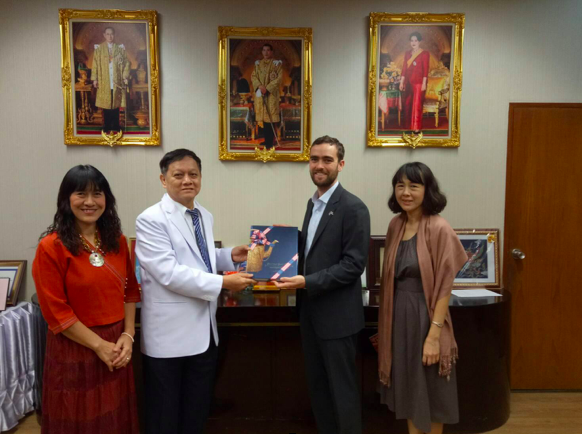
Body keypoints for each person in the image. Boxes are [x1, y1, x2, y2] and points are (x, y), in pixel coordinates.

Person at [135, 148, 255, 434]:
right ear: (164, 180)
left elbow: (199, 259)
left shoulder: (203, 214)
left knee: (196, 411)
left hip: (204, 333)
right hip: (169, 337)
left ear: (200, 177)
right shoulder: (151, 219)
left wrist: (228, 257)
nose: (187, 180)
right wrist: (223, 282)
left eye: (193, 174)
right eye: (179, 175)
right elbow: (169, 273)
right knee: (165, 414)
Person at [32, 165, 140, 434]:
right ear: (67, 199)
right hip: (75, 346)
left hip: (116, 344)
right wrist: (99, 346)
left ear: (107, 200)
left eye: (98, 194)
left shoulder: (116, 240)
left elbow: (129, 290)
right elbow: (56, 312)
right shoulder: (51, 246)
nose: (90, 202)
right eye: (81, 194)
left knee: (114, 420)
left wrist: (128, 336)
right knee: (77, 418)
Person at [275, 135, 370, 434]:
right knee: (319, 390)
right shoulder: (313, 203)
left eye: (327, 160)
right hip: (311, 316)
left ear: (340, 165)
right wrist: (281, 245)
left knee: (342, 393)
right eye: (314, 159)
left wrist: (307, 281)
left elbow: (353, 265)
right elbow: (315, 249)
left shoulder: (354, 208)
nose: (319, 165)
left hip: (338, 319)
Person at [377, 162, 468, 434]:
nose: (406, 192)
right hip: (398, 319)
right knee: (407, 388)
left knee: (430, 391)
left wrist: (433, 335)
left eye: (413, 186)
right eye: (400, 186)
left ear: (427, 190)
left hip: (426, 317)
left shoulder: (439, 228)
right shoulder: (396, 224)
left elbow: (444, 286)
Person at [91, 27, 131, 132]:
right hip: (104, 79)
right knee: (106, 103)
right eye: (108, 34)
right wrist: (95, 79)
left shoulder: (120, 49)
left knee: (116, 102)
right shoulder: (99, 49)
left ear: (114, 35)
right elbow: (94, 64)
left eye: (112, 34)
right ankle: (107, 125)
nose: (110, 36)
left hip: (116, 80)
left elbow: (127, 62)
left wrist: (125, 75)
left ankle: (116, 125)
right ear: (104, 35)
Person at [251, 43, 283, 149]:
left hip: (271, 95)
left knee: (270, 118)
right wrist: (259, 86)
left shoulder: (276, 64)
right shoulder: (258, 64)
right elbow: (253, 76)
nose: (266, 52)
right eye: (264, 50)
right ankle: (266, 140)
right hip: (261, 94)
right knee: (264, 120)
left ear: (272, 52)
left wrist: (267, 88)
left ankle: (271, 141)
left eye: (268, 50)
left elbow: (279, 78)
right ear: (262, 52)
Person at [399, 32, 430, 134]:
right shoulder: (407, 53)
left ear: (419, 42)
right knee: (407, 104)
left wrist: (424, 83)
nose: (413, 42)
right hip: (408, 82)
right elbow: (404, 68)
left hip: (419, 83)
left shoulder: (425, 53)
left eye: (415, 40)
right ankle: (408, 126)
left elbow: (426, 70)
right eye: (412, 40)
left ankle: (416, 127)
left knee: (416, 105)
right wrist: (402, 82)